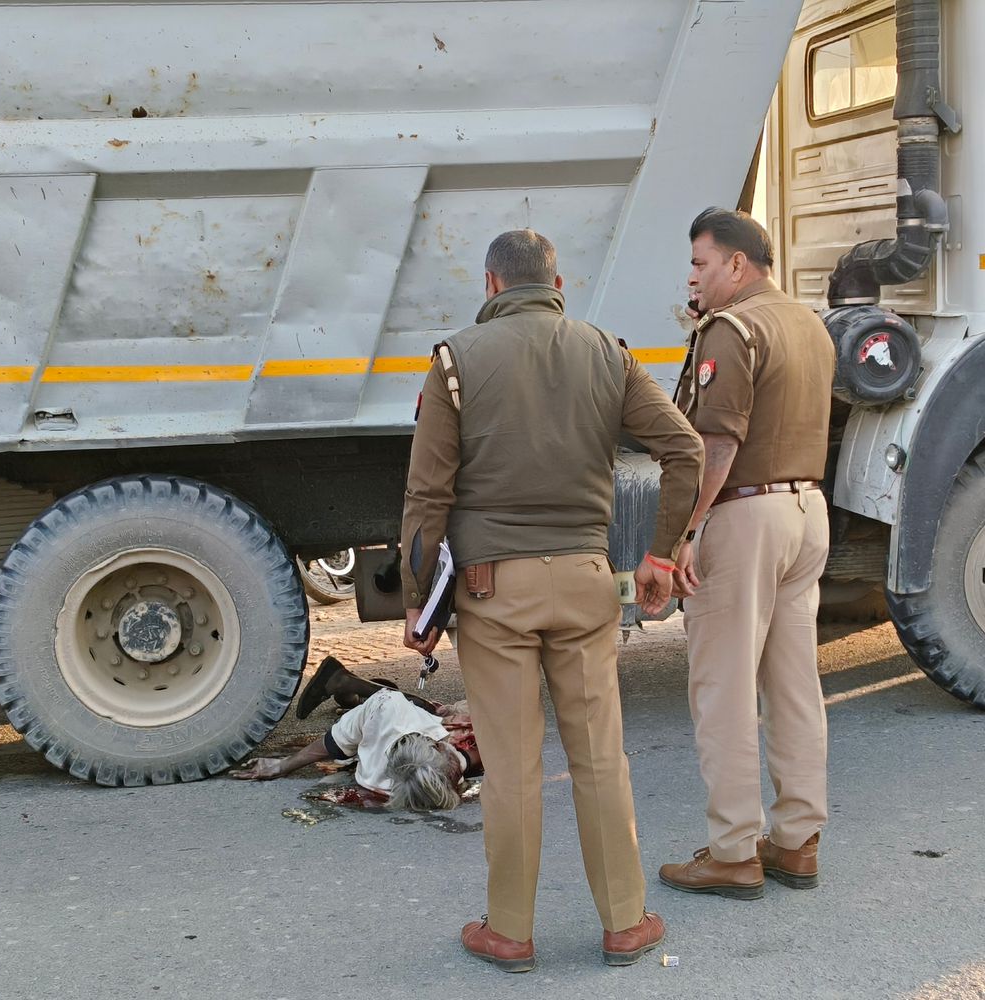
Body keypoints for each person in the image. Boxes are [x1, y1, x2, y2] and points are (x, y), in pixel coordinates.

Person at [400, 229, 704, 971]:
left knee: (511, 766)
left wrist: (418, 606)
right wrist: (659, 553)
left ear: (492, 283)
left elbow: (426, 496)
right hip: (586, 581)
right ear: (557, 283)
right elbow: (685, 450)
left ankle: (509, 932)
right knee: (600, 757)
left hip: (492, 589)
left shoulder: (456, 362)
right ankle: (627, 923)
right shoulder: (609, 352)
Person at [657, 208, 835, 899]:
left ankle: (732, 850)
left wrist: (680, 534)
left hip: (745, 515)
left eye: (701, 263)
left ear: (738, 264)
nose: (693, 278)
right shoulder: (807, 323)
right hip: (806, 512)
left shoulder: (731, 329)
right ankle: (796, 840)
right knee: (794, 686)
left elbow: (718, 445)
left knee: (723, 688)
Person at [231, 667, 481, 812]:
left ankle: (347, 688)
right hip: (404, 714)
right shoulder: (396, 714)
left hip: (382, 711)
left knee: (394, 705)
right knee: (442, 711)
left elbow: (329, 745)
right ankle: (349, 690)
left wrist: (282, 765)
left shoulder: (384, 712)